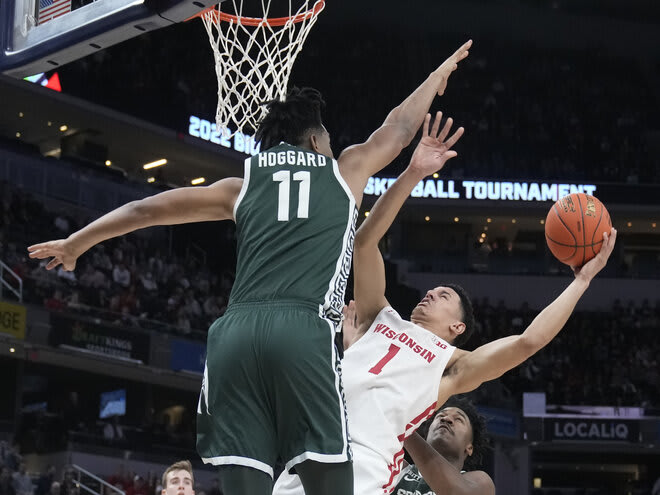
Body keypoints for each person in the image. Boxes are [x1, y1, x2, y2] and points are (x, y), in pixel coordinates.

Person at [27, 40, 471, 495]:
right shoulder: (344, 171)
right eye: (331, 141)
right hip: (302, 329)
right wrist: (437, 77)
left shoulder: (241, 184)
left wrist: (76, 242)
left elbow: (146, 210)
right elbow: (398, 127)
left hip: (233, 336)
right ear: (318, 141)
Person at [273, 112, 617, 494]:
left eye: (444, 295)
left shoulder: (449, 366)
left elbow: (528, 342)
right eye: (431, 290)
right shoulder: (379, 317)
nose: (430, 293)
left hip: (364, 471)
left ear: (458, 327)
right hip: (306, 458)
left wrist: (582, 280)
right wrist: (413, 174)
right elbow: (363, 243)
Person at [394, 396, 493, 495]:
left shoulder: (481, 483)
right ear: (427, 434)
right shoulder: (398, 468)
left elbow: (455, 492)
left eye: (459, 419)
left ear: (469, 447)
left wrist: (404, 429)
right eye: (440, 416)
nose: (446, 418)